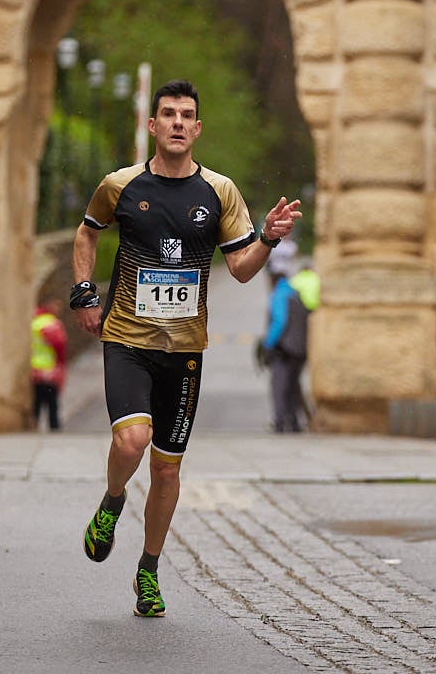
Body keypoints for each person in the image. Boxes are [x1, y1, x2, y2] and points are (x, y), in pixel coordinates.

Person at [71, 79, 302, 618]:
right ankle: (112, 500)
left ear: (197, 129)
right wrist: (85, 293)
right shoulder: (120, 185)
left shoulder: (219, 192)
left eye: (187, 115)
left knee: (168, 471)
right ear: (152, 126)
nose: (177, 122)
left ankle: (147, 572)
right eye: (168, 114)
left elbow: (241, 270)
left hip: (186, 350)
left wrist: (267, 237)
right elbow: (88, 234)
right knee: (133, 442)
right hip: (127, 337)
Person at [263, 261, 319, 432]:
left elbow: (279, 321)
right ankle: (294, 423)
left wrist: (268, 344)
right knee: (294, 386)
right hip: (300, 349)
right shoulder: (295, 293)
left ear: (273, 281)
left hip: (285, 349)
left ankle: (280, 422)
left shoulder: (279, 294)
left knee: (279, 385)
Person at [29, 297, 67, 431]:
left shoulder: (34, 321)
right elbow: (59, 346)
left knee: (37, 402)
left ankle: (33, 427)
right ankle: (54, 427)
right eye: (57, 306)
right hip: (49, 369)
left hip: (34, 369)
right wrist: (61, 366)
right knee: (52, 403)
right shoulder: (52, 324)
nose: (59, 309)